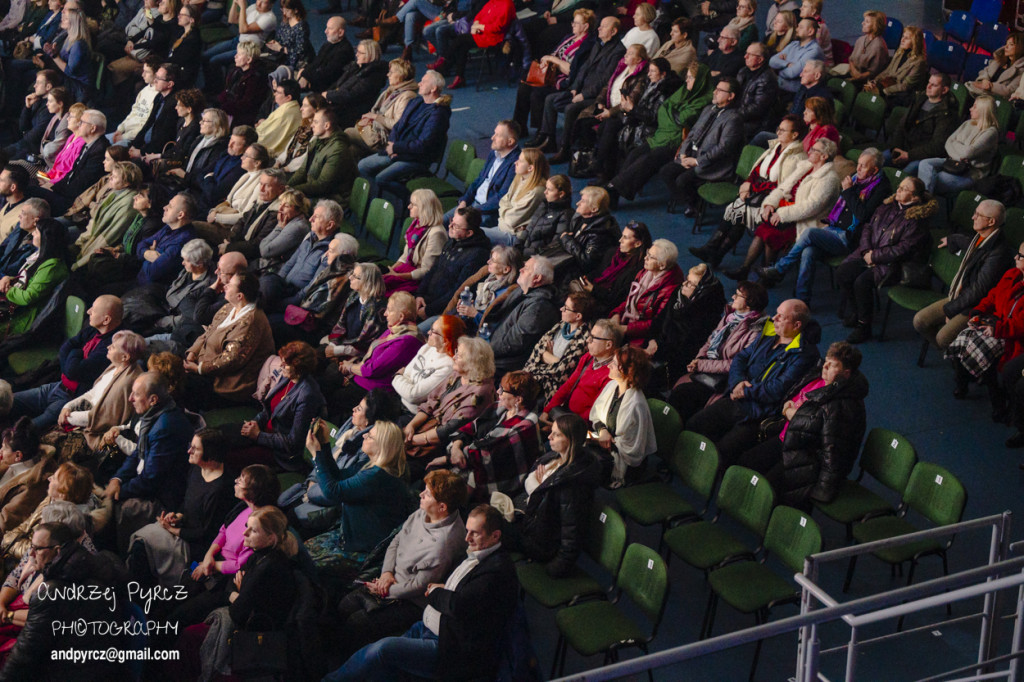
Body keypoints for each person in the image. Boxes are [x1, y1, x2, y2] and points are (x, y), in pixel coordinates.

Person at [326, 503, 517, 682]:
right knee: (382, 662)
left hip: (447, 646)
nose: (467, 538)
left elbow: (458, 605)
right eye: (467, 531)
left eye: (474, 533)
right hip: (426, 627)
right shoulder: (480, 553)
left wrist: (435, 591)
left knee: (381, 650)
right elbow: (465, 595)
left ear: (495, 536)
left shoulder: (496, 571)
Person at [332, 469, 468, 658]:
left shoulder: (444, 544)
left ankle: (349, 662)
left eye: (427, 494)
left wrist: (384, 590)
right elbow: (396, 540)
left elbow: (419, 586)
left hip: (411, 600)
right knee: (344, 605)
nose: (421, 494)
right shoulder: (423, 512)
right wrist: (387, 573)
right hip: (391, 580)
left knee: (357, 623)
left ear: (442, 507)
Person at [687, 299, 820, 465]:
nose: (774, 318)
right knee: (694, 425)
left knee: (724, 452)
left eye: (781, 316)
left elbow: (778, 388)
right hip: (737, 397)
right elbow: (741, 358)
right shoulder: (769, 334)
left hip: (759, 412)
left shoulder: (804, 354)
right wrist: (737, 382)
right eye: (776, 313)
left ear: (796, 325)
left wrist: (745, 391)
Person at [738, 341, 868, 507]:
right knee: (746, 461)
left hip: (806, 455)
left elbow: (833, 451)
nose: (825, 367)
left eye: (832, 365)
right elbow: (792, 397)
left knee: (768, 487)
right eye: (826, 361)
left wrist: (791, 413)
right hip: (788, 437)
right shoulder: (817, 377)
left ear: (846, 373)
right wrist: (789, 411)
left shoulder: (844, 405)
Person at [756, 147, 890, 304]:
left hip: (851, 238)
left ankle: (780, 269)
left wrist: (848, 192)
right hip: (834, 229)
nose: (858, 169)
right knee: (808, 252)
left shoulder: (881, 188)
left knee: (809, 233)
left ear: (874, 170)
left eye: (863, 166)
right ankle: (802, 300)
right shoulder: (856, 179)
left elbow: (863, 216)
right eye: (858, 164)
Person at [180, 506, 299, 680]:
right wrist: (239, 595)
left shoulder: (269, 567)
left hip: (256, 633)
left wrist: (239, 594)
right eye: (246, 526)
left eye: (253, 531)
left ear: (270, 538)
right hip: (247, 616)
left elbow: (237, 613)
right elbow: (230, 585)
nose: (245, 534)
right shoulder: (257, 555)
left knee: (189, 637)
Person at [305, 420, 415, 592]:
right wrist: (325, 445)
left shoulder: (377, 476)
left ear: (382, 446)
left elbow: (332, 492)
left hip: (361, 550)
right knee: (299, 553)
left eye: (370, 436)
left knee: (304, 563)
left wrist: (316, 455)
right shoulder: (375, 467)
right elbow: (339, 477)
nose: (364, 435)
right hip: (349, 537)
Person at [167, 463, 280, 626]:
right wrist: (208, 556)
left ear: (253, 491)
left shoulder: (261, 527)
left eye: (240, 480)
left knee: (180, 615)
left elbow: (240, 565)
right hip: (211, 563)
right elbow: (223, 531)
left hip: (225, 581)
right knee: (172, 596)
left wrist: (212, 566)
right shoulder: (243, 506)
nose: (235, 481)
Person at [690, 115, 808, 268]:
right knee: (736, 210)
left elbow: (781, 186)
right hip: (758, 193)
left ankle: (714, 251)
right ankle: (714, 251)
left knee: (737, 211)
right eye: (778, 129)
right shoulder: (775, 147)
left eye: (783, 130)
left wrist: (752, 188)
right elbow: (757, 170)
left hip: (775, 202)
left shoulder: (797, 158)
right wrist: (747, 183)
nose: (778, 132)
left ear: (795, 135)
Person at [125, 427, 234, 588]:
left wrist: (172, 530)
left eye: (195, 448)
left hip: (195, 545)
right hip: (182, 529)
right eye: (191, 445)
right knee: (139, 543)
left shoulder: (221, 489)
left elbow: (206, 533)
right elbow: (187, 503)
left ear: (210, 456)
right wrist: (177, 516)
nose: (189, 450)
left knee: (143, 548)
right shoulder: (197, 468)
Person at [724, 137, 840, 281]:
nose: (809, 151)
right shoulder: (805, 166)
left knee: (771, 231)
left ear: (824, 156)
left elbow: (811, 206)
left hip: (807, 221)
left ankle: (766, 277)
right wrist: (770, 204)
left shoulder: (829, 179)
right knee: (764, 229)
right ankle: (746, 269)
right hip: (789, 211)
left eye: (814, 150)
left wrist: (782, 214)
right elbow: (783, 187)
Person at [838, 177, 936, 343]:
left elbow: (903, 250)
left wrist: (875, 256)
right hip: (868, 253)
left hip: (893, 265)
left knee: (861, 282)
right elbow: (868, 227)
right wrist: (867, 251)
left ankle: (864, 326)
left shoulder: (917, 221)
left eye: (905, 189)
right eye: (900, 186)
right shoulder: (886, 206)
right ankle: (858, 312)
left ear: (915, 198)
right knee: (843, 273)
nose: (899, 189)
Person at [104, 372, 193, 551]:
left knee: (119, 508)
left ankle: (122, 554)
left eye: (136, 394)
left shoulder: (165, 427)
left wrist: (119, 492)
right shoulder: (154, 416)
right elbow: (138, 453)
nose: (130, 399)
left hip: (164, 499)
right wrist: (117, 480)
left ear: (153, 400)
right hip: (146, 483)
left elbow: (151, 479)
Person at [504, 413, 600, 575]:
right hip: (531, 519)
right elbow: (532, 479)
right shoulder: (556, 456)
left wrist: (556, 569)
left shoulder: (572, 486)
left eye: (556, 434)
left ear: (570, 440)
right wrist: (540, 487)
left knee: (490, 526)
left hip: (541, 543)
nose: (549, 437)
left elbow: (572, 533)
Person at [604, 62, 712, 206]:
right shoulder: (684, 91)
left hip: (679, 143)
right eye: (687, 77)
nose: (687, 80)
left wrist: (670, 111)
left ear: (700, 81)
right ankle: (615, 190)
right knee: (634, 154)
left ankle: (613, 189)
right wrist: (672, 113)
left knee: (649, 159)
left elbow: (684, 118)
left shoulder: (705, 100)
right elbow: (664, 110)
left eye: (691, 78)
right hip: (662, 135)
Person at [9, 293, 121, 431]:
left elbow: (73, 371)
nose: (88, 311)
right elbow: (65, 348)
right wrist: (73, 360)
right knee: (7, 401)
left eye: (94, 309)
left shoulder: (111, 347)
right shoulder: (93, 330)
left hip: (69, 400)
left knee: (22, 432)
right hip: (56, 386)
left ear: (106, 320)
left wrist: (74, 353)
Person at [915, 199, 1013, 352]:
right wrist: (951, 239)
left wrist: (951, 310)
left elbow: (978, 291)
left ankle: (960, 358)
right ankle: (954, 353)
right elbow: (969, 245)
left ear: (991, 221)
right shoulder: (981, 238)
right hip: (960, 296)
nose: (973, 217)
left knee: (943, 338)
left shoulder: (999, 253)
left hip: (975, 306)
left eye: (978, 215)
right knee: (920, 321)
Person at [668, 280, 770, 421]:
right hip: (708, 367)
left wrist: (702, 365)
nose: (733, 297)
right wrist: (700, 358)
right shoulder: (731, 317)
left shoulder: (755, 331)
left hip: (723, 380)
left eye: (738, 295)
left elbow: (736, 364)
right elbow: (711, 339)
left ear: (750, 302)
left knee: (682, 394)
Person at [947, 241, 1024, 422]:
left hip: (1013, 337)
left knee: (983, 353)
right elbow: (992, 296)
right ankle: (964, 380)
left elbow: (1021, 326)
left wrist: (996, 328)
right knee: (961, 340)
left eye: (1020, 256)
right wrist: (978, 312)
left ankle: (998, 402)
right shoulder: (1013, 273)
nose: (1016, 257)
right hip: (995, 324)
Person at [530, 17, 626, 158]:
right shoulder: (598, 44)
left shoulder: (618, 51)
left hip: (596, 96)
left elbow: (605, 80)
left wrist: (584, 94)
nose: (599, 28)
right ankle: (548, 137)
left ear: (613, 31)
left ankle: (565, 148)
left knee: (570, 108)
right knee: (550, 99)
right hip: (581, 90)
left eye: (604, 27)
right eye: (600, 25)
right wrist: (575, 87)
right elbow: (584, 68)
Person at [403, 337, 496, 478]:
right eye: (457, 352)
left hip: (442, 444)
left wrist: (411, 440)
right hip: (426, 428)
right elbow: (431, 403)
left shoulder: (481, 392)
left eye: (460, 355)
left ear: (473, 363)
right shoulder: (457, 374)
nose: (454, 356)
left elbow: (448, 430)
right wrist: (411, 426)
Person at [326, 292, 425, 420]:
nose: (385, 314)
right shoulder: (395, 329)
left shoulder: (407, 341)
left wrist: (350, 367)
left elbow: (372, 370)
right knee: (328, 375)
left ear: (401, 317)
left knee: (330, 399)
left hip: (373, 390)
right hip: (361, 376)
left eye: (389, 310)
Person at [229, 341, 326, 471]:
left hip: (279, 452)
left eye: (285, 364)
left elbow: (293, 442)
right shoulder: (287, 377)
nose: (281, 365)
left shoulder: (307, 395)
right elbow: (268, 410)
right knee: (223, 437)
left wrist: (258, 435)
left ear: (299, 367)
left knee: (231, 456)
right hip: (263, 431)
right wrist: (255, 422)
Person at [183, 270, 275, 407]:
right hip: (207, 367)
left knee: (182, 385)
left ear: (239, 296)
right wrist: (192, 354)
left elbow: (231, 359)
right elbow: (208, 333)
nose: (225, 286)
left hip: (229, 383)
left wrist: (199, 369)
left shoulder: (250, 322)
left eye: (230, 285)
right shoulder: (228, 308)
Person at [357, 70, 452, 198]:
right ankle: (380, 199)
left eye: (424, 82)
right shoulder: (416, 102)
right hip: (399, 150)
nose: (419, 84)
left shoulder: (439, 114)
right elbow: (398, 126)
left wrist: (396, 148)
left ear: (433, 88)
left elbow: (422, 145)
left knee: (382, 178)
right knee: (363, 165)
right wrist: (392, 145)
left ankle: (410, 200)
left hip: (417, 158)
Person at [658, 77, 744, 217]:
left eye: (720, 90)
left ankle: (693, 205)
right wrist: (683, 153)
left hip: (713, 163)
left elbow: (723, 149)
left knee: (682, 181)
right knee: (666, 172)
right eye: (715, 88)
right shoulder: (708, 109)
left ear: (731, 96)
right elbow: (692, 133)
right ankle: (690, 201)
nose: (714, 92)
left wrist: (697, 161)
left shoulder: (733, 118)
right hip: (692, 154)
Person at [512, 9, 597, 141]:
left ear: (586, 26)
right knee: (524, 87)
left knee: (538, 93)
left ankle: (541, 132)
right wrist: (547, 60)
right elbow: (555, 53)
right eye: (573, 22)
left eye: (576, 23)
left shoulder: (588, 45)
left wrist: (554, 61)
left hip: (568, 81)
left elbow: (573, 71)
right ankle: (519, 127)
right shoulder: (569, 38)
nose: (572, 25)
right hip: (553, 75)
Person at [56, 330, 146, 452]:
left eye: (113, 347)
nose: (108, 347)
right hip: (82, 416)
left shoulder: (126, 383)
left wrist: (68, 417)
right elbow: (93, 393)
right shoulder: (116, 366)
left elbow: (101, 418)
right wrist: (67, 407)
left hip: (100, 435)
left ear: (125, 357)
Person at [1, 463, 109, 563]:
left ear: (63, 493)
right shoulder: (52, 499)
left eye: (54, 479)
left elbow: (38, 553)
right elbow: (25, 526)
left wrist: (8, 541)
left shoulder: (70, 523)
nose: (49, 478)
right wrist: (9, 539)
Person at [646, 263, 727, 385]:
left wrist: (657, 349)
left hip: (676, 361)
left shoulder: (707, 314)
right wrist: (652, 340)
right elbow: (659, 320)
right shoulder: (678, 296)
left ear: (701, 290)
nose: (684, 284)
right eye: (686, 279)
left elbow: (686, 347)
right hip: (658, 346)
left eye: (690, 283)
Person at [260, 198, 340, 312]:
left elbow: (311, 288)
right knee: (266, 281)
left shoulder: (330, 251)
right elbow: (290, 263)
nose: (310, 219)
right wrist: (277, 282)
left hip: (295, 298)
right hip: (284, 288)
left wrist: (284, 304)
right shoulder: (309, 236)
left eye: (316, 217)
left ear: (329, 225)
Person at [415, 207, 492, 320]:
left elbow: (458, 291)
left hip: (443, 310)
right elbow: (434, 269)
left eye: (456, 226)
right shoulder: (453, 240)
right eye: (452, 221)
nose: (450, 226)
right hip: (427, 300)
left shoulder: (477, 255)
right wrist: (419, 294)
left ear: (469, 233)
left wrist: (428, 310)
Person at [542, 318, 623, 425]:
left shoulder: (612, 373)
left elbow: (595, 411)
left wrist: (565, 425)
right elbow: (569, 385)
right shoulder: (588, 357)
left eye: (593, 338)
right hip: (564, 415)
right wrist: (547, 410)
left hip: (578, 426)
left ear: (608, 345)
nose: (588, 340)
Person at [0, 220, 70, 340]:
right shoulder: (42, 258)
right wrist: (9, 279)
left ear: (46, 238)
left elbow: (28, 297)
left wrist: (8, 290)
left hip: (25, 318)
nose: (32, 234)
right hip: (17, 309)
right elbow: (29, 279)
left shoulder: (52, 267)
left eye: (36, 232)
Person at [490, 256, 561, 373]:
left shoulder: (540, 307)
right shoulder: (523, 292)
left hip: (502, 366)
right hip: (493, 352)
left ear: (537, 278)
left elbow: (514, 343)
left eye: (526, 268)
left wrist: (484, 351)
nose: (520, 270)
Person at [918, 96, 1000, 196]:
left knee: (932, 179)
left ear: (983, 111)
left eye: (974, 107)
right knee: (924, 163)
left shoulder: (991, 132)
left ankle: (923, 200)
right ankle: (924, 197)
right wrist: (960, 155)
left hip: (970, 172)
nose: (970, 109)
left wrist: (957, 146)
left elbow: (968, 153)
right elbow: (948, 142)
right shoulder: (968, 123)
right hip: (952, 161)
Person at [610, 238, 684, 345]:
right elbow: (629, 301)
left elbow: (656, 324)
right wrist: (616, 314)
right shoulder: (644, 272)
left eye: (651, 257)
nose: (645, 258)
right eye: (647, 253)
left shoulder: (671, 291)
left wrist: (625, 329)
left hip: (643, 338)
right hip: (627, 323)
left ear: (662, 265)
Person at [525, 292, 595, 405]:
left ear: (578, 316)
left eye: (566, 308)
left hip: (552, 389)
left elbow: (562, 372)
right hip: (538, 377)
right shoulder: (561, 325)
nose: (561, 309)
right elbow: (539, 348)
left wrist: (546, 357)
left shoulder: (584, 340)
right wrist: (556, 360)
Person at [70, 161, 142, 267]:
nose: (110, 178)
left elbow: (111, 235)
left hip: (101, 247)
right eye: (111, 174)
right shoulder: (115, 192)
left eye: (115, 176)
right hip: (88, 236)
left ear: (127, 183)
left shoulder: (128, 205)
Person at [453, 121, 522, 229]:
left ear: (510, 141)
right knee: (442, 221)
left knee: (457, 229)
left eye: (497, 135)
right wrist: (464, 201)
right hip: (473, 203)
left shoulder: (516, 164)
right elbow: (479, 179)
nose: (492, 138)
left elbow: (502, 197)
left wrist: (474, 211)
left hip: (487, 211)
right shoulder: (493, 154)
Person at [886, 74, 959, 175]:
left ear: (944, 90)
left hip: (922, 156)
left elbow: (937, 146)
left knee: (901, 176)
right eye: (929, 83)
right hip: (904, 147)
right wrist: (896, 147)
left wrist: (909, 155)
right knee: (876, 161)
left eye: (934, 85)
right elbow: (902, 125)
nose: (928, 87)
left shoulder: (947, 114)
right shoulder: (920, 99)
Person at [346, 58, 419, 158]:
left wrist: (375, 117)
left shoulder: (407, 96)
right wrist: (370, 118)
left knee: (346, 133)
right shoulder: (391, 91)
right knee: (351, 151)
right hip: (374, 130)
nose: (388, 75)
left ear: (402, 75)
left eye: (391, 72)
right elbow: (376, 111)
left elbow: (397, 125)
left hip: (385, 139)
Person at [394, 315, 467, 414]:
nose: (428, 332)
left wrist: (397, 377)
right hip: (399, 401)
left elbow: (413, 396)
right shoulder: (428, 347)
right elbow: (407, 374)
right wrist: (404, 381)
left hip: (411, 414)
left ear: (445, 341)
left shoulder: (448, 367)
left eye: (433, 331)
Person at [440, 245, 520, 334]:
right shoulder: (488, 279)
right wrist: (465, 306)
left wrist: (474, 314)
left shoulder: (507, 294)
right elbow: (477, 307)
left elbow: (496, 326)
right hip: (464, 324)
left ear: (506, 269)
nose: (488, 261)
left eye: (493, 261)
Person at [287, 108, 358, 206]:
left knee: (288, 206)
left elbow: (322, 186)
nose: (312, 125)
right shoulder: (317, 141)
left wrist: (292, 190)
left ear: (327, 125)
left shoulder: (338, 150)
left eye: (315, 122)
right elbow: (302, 171)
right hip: (317, 194)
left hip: (333, 201)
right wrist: (287, 187)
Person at [321, 261, 388, 364]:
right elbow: (341, 324)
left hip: (359, 354)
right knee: (321, 349)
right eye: (352, 273)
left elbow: (364, 342)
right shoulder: (354, 295)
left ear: (367, 282)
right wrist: (334, 344)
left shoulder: (376, 309)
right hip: (345, 343)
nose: (350, 277)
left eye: (355, 276)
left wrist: (339, 351)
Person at [383, 189, 448, 295]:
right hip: (408, 271)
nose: (409, 207)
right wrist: (391, 271)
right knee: (378, 281)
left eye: (413, 205)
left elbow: (426, 270)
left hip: (419, 280)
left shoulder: (436, 233)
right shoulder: (416, 224)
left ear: (424, 209)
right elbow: (405, 256)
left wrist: (397, 276)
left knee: (382, 291)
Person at [440, 0, 516, 89]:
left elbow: (498, 27)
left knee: (461, 39)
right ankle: (459, 76)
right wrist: (475, 24)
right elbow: (479, 15)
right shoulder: (493, 1)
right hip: (483, 34)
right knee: (463, 45)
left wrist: (480, 27)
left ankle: (444, 59)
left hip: (495, 38)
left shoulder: (506, 4)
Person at [547, 186, 620, 279]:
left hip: (582, 274)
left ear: (594, 209)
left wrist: (567, 240)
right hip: (569, 261)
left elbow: (586, 261)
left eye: (583, 201)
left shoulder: (601, 233)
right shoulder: (579, 218)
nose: (578, 203)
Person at [0, 418, 58, 534]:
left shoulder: (31, 485)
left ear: (18, 455)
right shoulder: (9, 464)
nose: (0, 451)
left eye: (4, 448)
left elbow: (5, 522)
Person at [323, 40, 389, 129]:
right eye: (357, 51)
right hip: (340, 103)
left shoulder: (373, 76)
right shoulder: (356, 67)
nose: (356, 54)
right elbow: (338, 84)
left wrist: (329, 95)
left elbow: (352, 95)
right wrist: (329, 94)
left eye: (360, 53)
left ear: (370, 55)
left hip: (352, 112)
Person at [863, 25, 929, 106]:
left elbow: (905, 86)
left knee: (875, 101)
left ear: (915, 42)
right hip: (890, 85)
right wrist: (875, 81)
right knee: (865, 91)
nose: (902, 40)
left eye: (907, 38)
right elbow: (888, 71)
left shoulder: (919, 62)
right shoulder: (900, 51)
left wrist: (882, 91)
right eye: (903, 36)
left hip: (902, 94)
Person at [216, 42, 270, 128]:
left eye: (239, 54)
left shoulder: (256, 77)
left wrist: (224, 108)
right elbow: (227, 90)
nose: (235, 56)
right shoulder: (235, 70)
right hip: (231, 107)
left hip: (243, 115)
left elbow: (247, 104)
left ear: (249, 60)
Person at [519, 174, 574, 256]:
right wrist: (518, 244)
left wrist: (526, 252)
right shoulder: (544, 205)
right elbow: (529, 227)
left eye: (549, 190)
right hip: (525, 250)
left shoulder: (566, 214)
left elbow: (555, 245)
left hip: (538, 258)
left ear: (561, 194)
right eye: (546, 188)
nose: (545, 192)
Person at [297, 16, 354, 93]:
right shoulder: (328, 44)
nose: (325, 31)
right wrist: (304, 73)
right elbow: (316, 63)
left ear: (340, 32)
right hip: (315, 81)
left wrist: (307, 78)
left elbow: (328, 74)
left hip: (326, 89)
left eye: (330, 29)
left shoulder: (344, 51)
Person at [768, 17, 824, 93]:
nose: (796, 29)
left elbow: (792, 73)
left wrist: (777, 68)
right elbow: (772, 61)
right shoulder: (793, 44)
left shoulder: (814, 51)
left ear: (810, 32)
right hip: (778, 88)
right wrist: (787, 64)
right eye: (797, 26)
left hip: (794, 93)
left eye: (800, 27)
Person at [736, 42, 779, 139]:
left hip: (754, 124)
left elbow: (757, 109)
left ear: (760, 59)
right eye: (746, 53)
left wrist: (733, 114)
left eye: (750, 55)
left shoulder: (767, 79)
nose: (745, 56)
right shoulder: (743, 71)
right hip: (739, 115)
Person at [832, 11, 889, 84]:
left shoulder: (879, 47)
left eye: (867, 22)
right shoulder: (861, 39)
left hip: (865, 81)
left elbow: (873, 72)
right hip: (853, 73)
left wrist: (858, 77)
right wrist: (854, 72)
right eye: (864, 20)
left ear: (875, 26)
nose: (862, 23)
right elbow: (851, 59)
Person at [967, 32, 1024, 98]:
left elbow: (1010, 91)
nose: (1006, 47)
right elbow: (985, 71)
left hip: (996, 98)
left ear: (1020, 48)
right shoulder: (1000, 58)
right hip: (983, 90)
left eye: (1011, 44)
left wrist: (990, 86)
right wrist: (984, 79)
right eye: (1006, 43)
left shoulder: (1021, 70)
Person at [256, 79, 303, 159]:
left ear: (288, 97)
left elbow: (266, 135)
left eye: (278, 92)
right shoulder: (291, 107)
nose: (274, 94)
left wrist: (260, 127)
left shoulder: (285, 112)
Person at [264, 0, 313, 71]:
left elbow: (300, 51)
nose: (284, 13)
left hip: (297, 61)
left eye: (287, 10)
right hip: (283, 57)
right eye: (283, 10)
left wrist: (281, 49)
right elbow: (279, 38)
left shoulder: (301, 26)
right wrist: (275, 43)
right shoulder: (285, 23)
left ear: (296, 10)